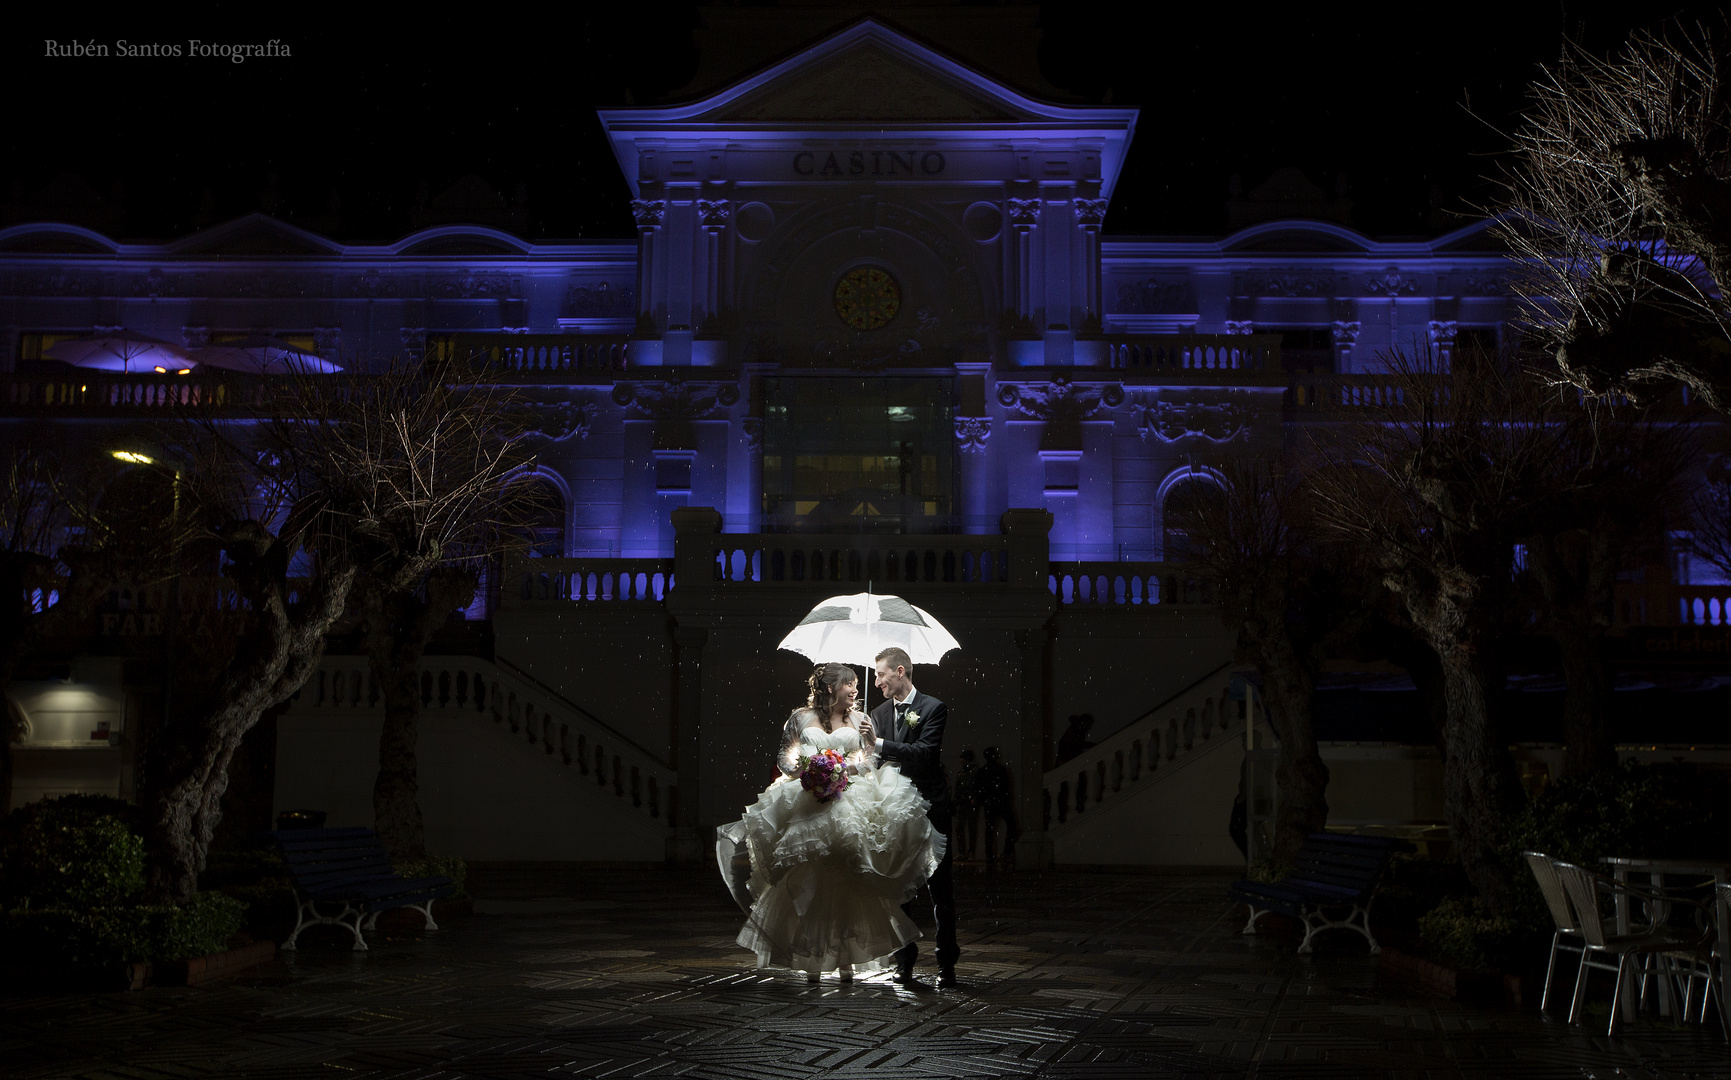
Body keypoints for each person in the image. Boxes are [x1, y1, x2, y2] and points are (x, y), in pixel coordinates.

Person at [724, 662, 945, 983]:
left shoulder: (862, 721)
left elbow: (870, 760)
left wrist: (844, 769)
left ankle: (846, 960)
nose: (856, 690)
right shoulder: (800, 718)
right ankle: (811, 958)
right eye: (850, 684)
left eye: (857, 684)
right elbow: (785, 757)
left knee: (847, 882)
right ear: (830, 688)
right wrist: (811, 769)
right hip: (806, 805)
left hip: (849, 805)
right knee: (809, 881)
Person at [862, 646, 958, 988]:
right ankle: (904, 959)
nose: (877, 682)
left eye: (881, 674)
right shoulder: (875, 713)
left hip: (931, 809)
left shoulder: (933, 708)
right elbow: (872, 761)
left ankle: (947, 963)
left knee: (940, 890)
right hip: (893, 813)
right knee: (894, 887)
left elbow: (927, 755)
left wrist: (881, 743)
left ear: (900, 671)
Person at [976, 745, 1020, 871]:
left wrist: (984, 801)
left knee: (989, 830)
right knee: (1010, 826)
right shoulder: (1000, 770)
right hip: (1001, 803)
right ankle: (1006, 853)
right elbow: (1006, 787)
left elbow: (979, 790)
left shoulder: (983, 771)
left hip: (991, 804)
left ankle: (990, 856)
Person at [953, 748, 980, 862]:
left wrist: (974, 798)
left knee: (970, 827)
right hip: (964, 802)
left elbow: (977, 787)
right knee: (963, 827)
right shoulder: (963, 772)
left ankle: (969, 852)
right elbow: (958, 789)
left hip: (969, 802)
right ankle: (965, 852)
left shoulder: (973, 772)